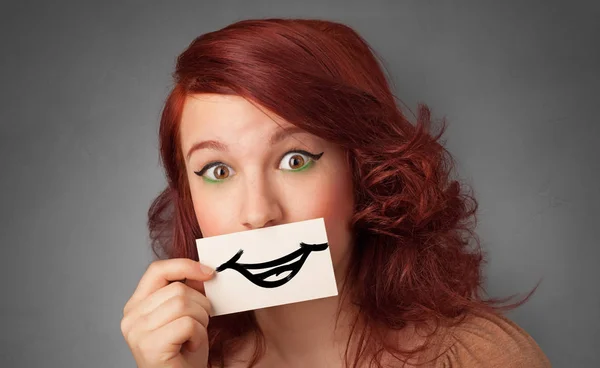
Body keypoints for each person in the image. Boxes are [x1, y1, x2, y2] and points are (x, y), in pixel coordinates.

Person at [120, 18, 552, 367]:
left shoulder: (481, 358)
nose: (257, 212)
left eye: (295, 160)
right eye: (217, 170)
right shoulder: (187, 362)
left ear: (365, 173)